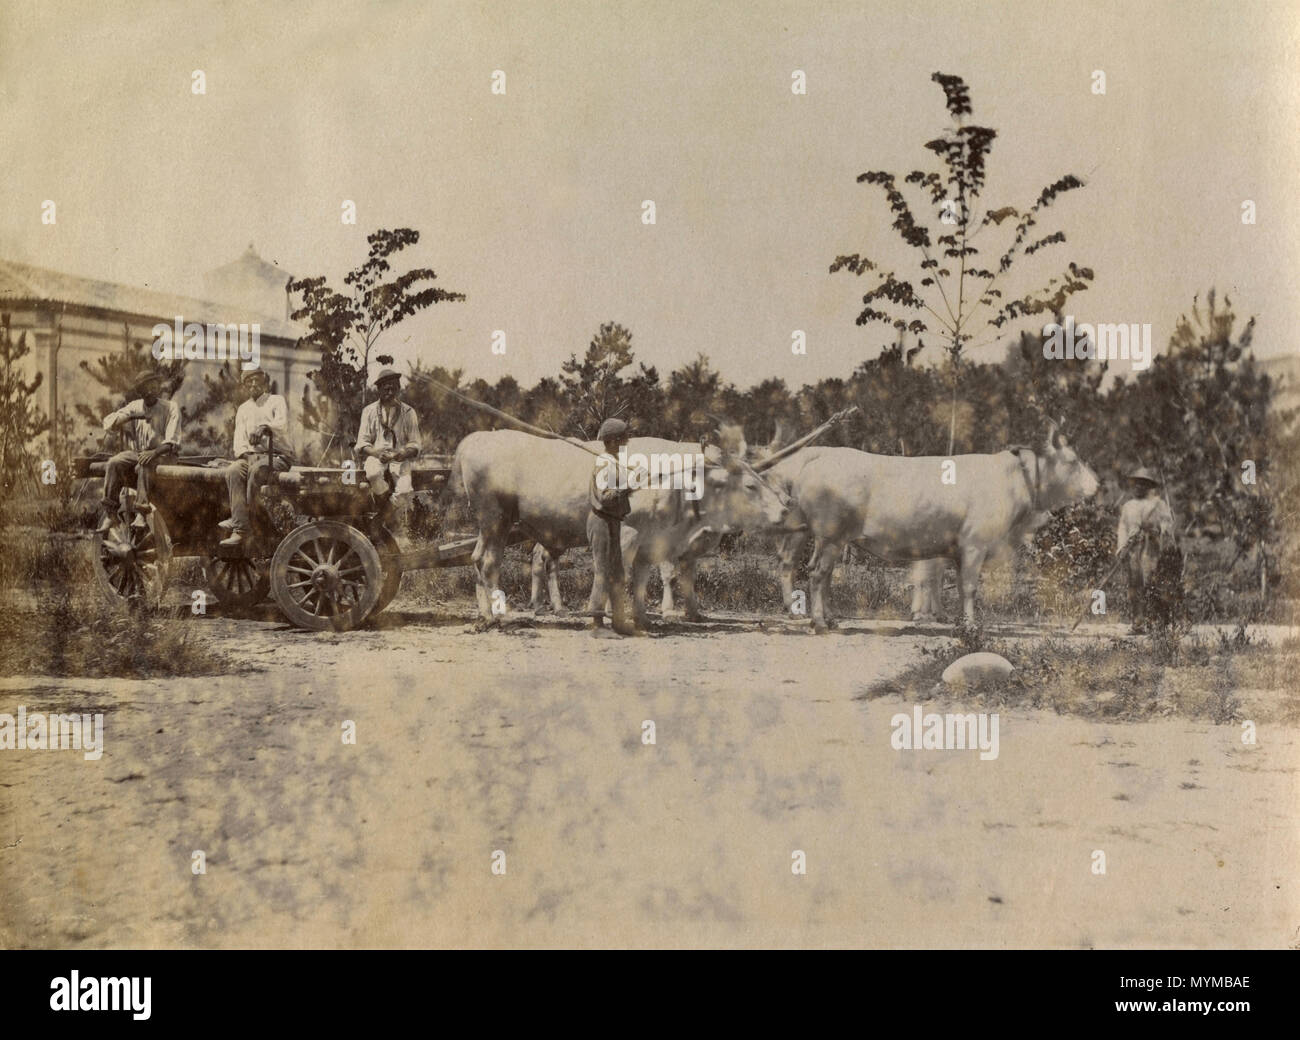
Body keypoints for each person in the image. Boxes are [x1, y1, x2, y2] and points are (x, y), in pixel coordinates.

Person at [96, 371, 181, 533]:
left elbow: (172, 442)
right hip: (140, 453)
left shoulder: (170, 408)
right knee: (114, 462)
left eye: (153, 387)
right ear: (140, 391)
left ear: (158, 388)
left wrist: (153, 453)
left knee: (144, 462)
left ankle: (141, 512)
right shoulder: (135, 406)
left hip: (164, 455)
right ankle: (110, 513)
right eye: (145, 389)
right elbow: (109, 422)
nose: (150, 392)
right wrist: (124, 418)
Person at [218, 368, 292, 547]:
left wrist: (264, 427)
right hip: (252, 458)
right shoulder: (243, 409)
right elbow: (239, 441)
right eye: (249, 382)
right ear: (245, 386)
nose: (253, 384)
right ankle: (240, 524)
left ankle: (246, 523)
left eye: (257, 381)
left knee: (256, 471)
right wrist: (245, 455)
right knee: (234, 470)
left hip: (277, 456)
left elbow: (281, 425)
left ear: (265, 382)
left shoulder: (276, 401)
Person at [587, 417, 638, 636]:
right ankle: (597, 624)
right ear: (614, 440)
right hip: (602, 520)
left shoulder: (613, 461)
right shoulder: (604, 464)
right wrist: (626, 489)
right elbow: (606, 497)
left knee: (617, 572)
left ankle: (618, 621)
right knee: (604, 571)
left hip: (613, 519)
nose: (626, 441)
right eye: (623, 438)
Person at [1116, 466, 1176, 634]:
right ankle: (1138, 623)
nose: (1139, 487)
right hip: (1133, 549)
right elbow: (1122, 528)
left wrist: (1159, 529)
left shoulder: (1158, 504)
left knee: (1151, 582)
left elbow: (1167, 523)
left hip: (1151, 548)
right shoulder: (1128, 506)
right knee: (1134, 585)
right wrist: (1121, 548)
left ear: (1150, 486)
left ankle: (1155, 621)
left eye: (1143, 484)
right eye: (1136, 483)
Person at [355, 368, 421, 513]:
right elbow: (362, 442)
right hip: (376, 457)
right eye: (386, 389)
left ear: (399, 389)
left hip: (400, 459)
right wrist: (376, 453)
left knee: (404, 491)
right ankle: (384, 502)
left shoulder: (409, 413)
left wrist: (401, 454)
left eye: (393, 389)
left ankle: (386, 512)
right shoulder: (369, 411)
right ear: (379, 389)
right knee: (373, 474)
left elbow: (415, 444)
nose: (390, 393)